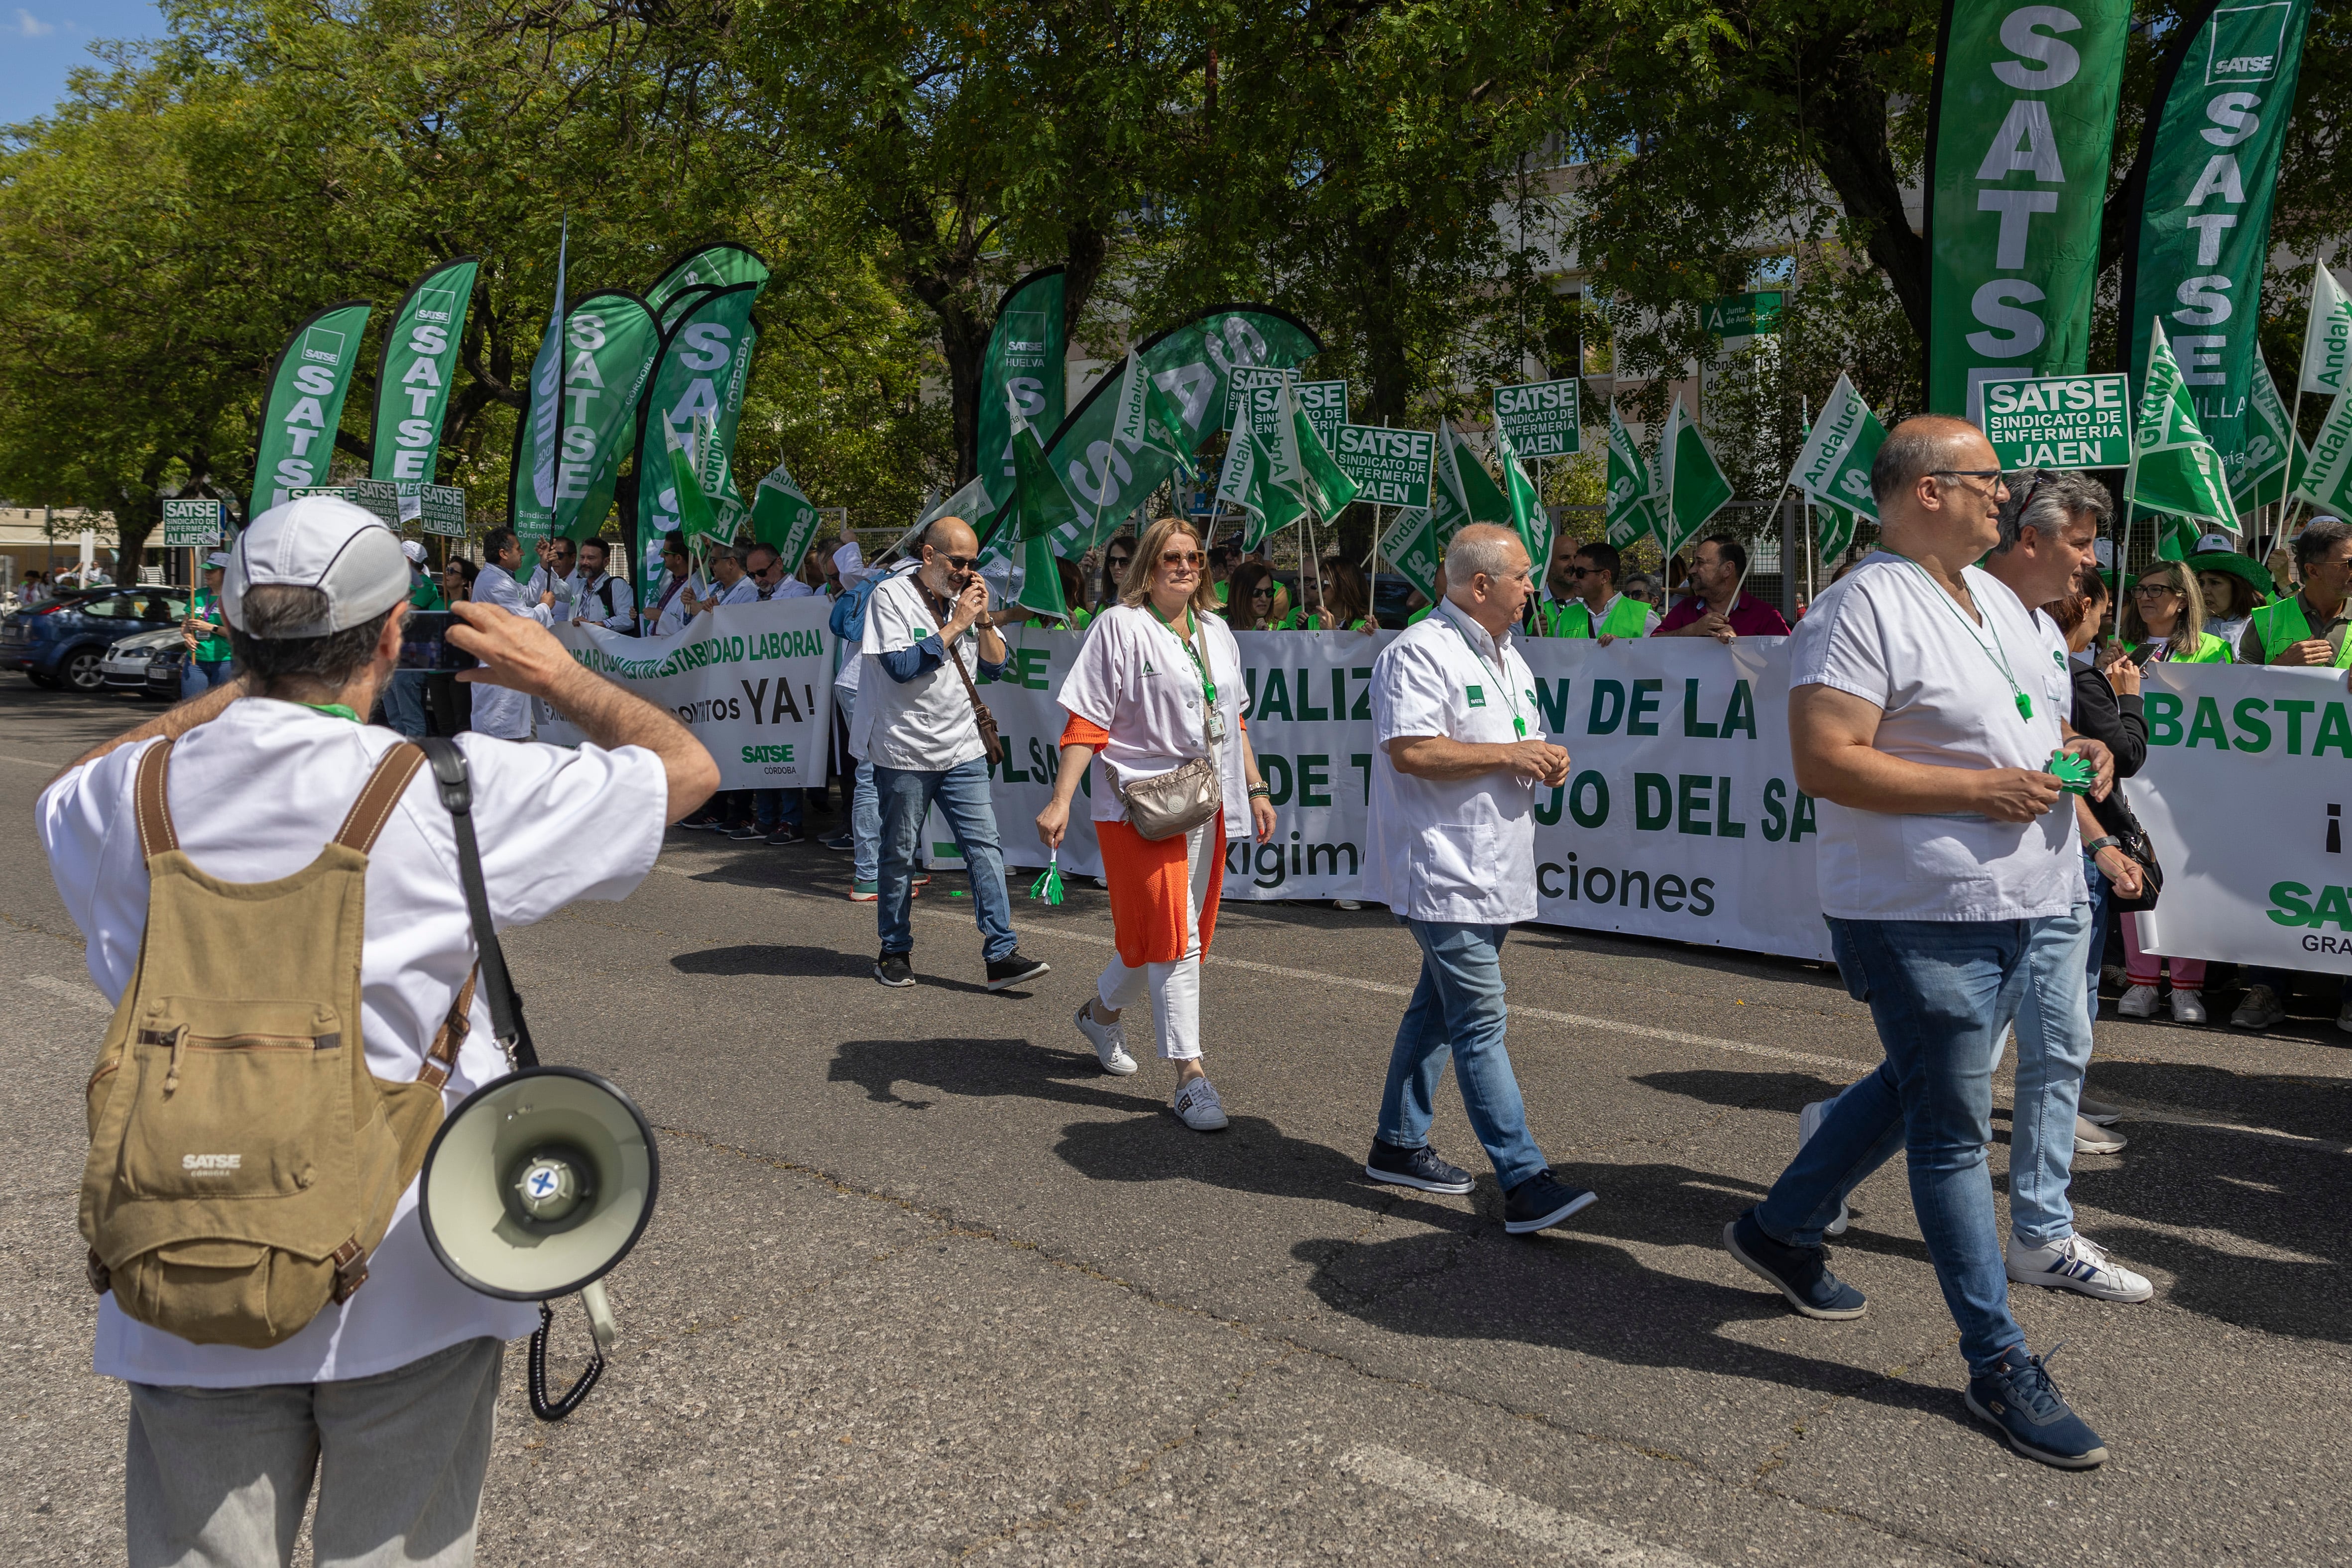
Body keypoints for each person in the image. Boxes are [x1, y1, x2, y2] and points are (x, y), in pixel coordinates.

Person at [36, 493, 717, 1568]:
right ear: (394, 635)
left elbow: (82, 776)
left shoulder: (123, 795)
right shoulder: (446, 789)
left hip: (182, 1259)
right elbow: (684, 770)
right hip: (408, 1273)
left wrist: (225, 700)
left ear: (235, 635)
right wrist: (559, 674)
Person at [1722, 416, 2115, 1469]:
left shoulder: (1996, 599)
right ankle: (1997, 1361)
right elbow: (1826, 760)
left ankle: (1779, 1227)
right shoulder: (1858, 607)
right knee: (1948, 1128)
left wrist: (2075, 755)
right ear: (1927, 491)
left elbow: (2022, 728)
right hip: (1917, 912)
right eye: (1989, 480)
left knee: (1912, 1087)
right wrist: (1981, 789)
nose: (2009, 496)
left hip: (2024, 901)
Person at [1362, 523, 1594, 1233]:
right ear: (1481, 584)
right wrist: (1508, 755)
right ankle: (1523, 1178)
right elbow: (1412, 749)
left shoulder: (1511, 658)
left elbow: (1516, 741)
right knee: (1480, 1020)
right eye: (1524, 576)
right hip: (1444, 868)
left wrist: (1543, 757)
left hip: (1495, 867)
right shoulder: (1418, 653)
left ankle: (1397, 1143)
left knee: (1436, 1010)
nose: (1535, 588)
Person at [1966, 467, 2150, 1286]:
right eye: (2079, 545)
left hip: (2058, 877)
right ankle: (1822, 1152)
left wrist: (2090, 757)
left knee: (2061, 1051)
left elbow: (2046, 757)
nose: (2089, 562)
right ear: (2029, 538)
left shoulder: (2044, 636)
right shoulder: (1952, 614)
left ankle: (2041, 1233)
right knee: (1950, 1069)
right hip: (1978, 885)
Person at [1036, 516, 1279, 1129]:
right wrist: (1062, 798)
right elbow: (1087, 723)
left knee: (1165, 938)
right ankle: (1189, 1077)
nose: (1184, 566)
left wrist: (1253, 786)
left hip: (1209, 799)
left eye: (1194, 557)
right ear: (1148, 565)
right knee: (1177, 940)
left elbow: (1235, 721)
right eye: (1170, 556)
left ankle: (1099, 1015)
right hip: (1141, 809)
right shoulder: (1118, 626)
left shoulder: (1218, 631)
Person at [856, 515, 1050, 991]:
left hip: (962, 746)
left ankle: (1001, 953)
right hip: (904, 749)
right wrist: (957, 624)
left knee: (985, 847)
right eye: (958, 562)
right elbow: (902, 666)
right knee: (900, 853)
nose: (967, 571)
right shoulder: (890, 597)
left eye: (973, 563)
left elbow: (998, 666)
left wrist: (982, 619)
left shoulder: (969, 602)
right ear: (929, 556)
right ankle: (894, 950)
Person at [2232, 516, 2352, 1032]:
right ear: (2311, 569)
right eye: (2347, 562)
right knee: (2276, 878)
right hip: (2280, 780)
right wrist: (2276, 669)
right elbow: (2226, 703)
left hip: (2343, 779)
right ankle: (2265, 987)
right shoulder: (2264, 623)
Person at [470, 528, 558, 741]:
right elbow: (525, 622)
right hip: (501, 683)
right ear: (503, 554)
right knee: (506, 747)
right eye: (519, 549)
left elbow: (526, 595)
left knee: (521, 743)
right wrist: (545, 607)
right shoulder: (495, 584)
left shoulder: (500, 579)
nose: (523, 554)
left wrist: (544, 565)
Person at [1659, 534, 1791, 640]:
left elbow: (1787, 659)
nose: (1692, 570)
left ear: (1727, 569)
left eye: (1700, 563)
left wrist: (1739, 646)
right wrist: (1692, 630)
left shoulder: (1766, 616)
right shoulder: (1685, 609)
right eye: (1694, 563)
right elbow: (1652, 645)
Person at [1540, 541, 1659, 642]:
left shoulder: (1644, 617)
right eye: (1573, 571)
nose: (1573, 578)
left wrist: (1625, 649)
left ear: (1604, 577)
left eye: (1581, 573)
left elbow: (1659, 663)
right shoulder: (1566, 616)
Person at [2121, 559, 2230, 665]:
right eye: (2140, 589)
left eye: (2155, 590)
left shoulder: (2214, 649)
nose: (2144, 598)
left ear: (2183, 601)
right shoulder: (2117, 644)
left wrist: (2160, 673)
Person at [2187, 534, 2269, 650]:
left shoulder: (2264, 624)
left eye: (2215, 583)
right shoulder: (2190, 627)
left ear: (2237, 587)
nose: (2204, 591)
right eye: (2201, 584)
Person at [179, 551, 235, 697]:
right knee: (190, 707)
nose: (207, 574)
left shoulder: (234, 597)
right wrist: (187, 638)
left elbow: (238, 634)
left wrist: (212, 628)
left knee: (221, 708)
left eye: (212, 571)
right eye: (206, 570)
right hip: (196, 660)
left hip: (226, 661)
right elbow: (185, 626)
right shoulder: (198, 595)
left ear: (225, 573)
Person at [642, 532, 697, 638]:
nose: (661, 555)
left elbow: (691, 631)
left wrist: (660, 616)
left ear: (678, 559)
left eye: (666, 553)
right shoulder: (675, 581)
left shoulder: (696, 589)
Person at [569, 538, 632, 629]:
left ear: (606, 562)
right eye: (582, 557)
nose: (584, 562)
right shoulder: (577, 584)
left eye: (591, 558)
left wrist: (594, 626)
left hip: (604, 643)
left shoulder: (616, 585)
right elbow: (556, 590)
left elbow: (629, 619)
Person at [524, 536, 582, 623]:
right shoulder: (541, 575)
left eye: (558, 555)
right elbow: (530, 603)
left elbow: (567, 593)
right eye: (550, 555)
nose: (553, 559)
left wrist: (549, 615)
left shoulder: (582, 581)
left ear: (573, 558)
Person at [1224, 561, 1281, 630]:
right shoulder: (1218, 625)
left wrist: (1266, 638)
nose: (1264, 599)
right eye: (1257, 593)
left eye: (1269, 592)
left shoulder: (1280, 629)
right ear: (1240, 594)